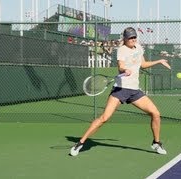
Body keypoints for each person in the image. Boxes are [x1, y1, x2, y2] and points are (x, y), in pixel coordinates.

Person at [70, 27, 171, 156]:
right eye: (130, 38)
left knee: (156, 114)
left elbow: (143, 64)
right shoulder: (122, 50)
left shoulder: (138, 47)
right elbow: (121, 66)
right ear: (125, 39)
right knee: (104, 118)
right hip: (120, 90)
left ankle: (156, 143)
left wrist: (159, 61)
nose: (133, 39)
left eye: (134, 37)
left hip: (135, 91)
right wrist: (124, 70)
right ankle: (80, 143)